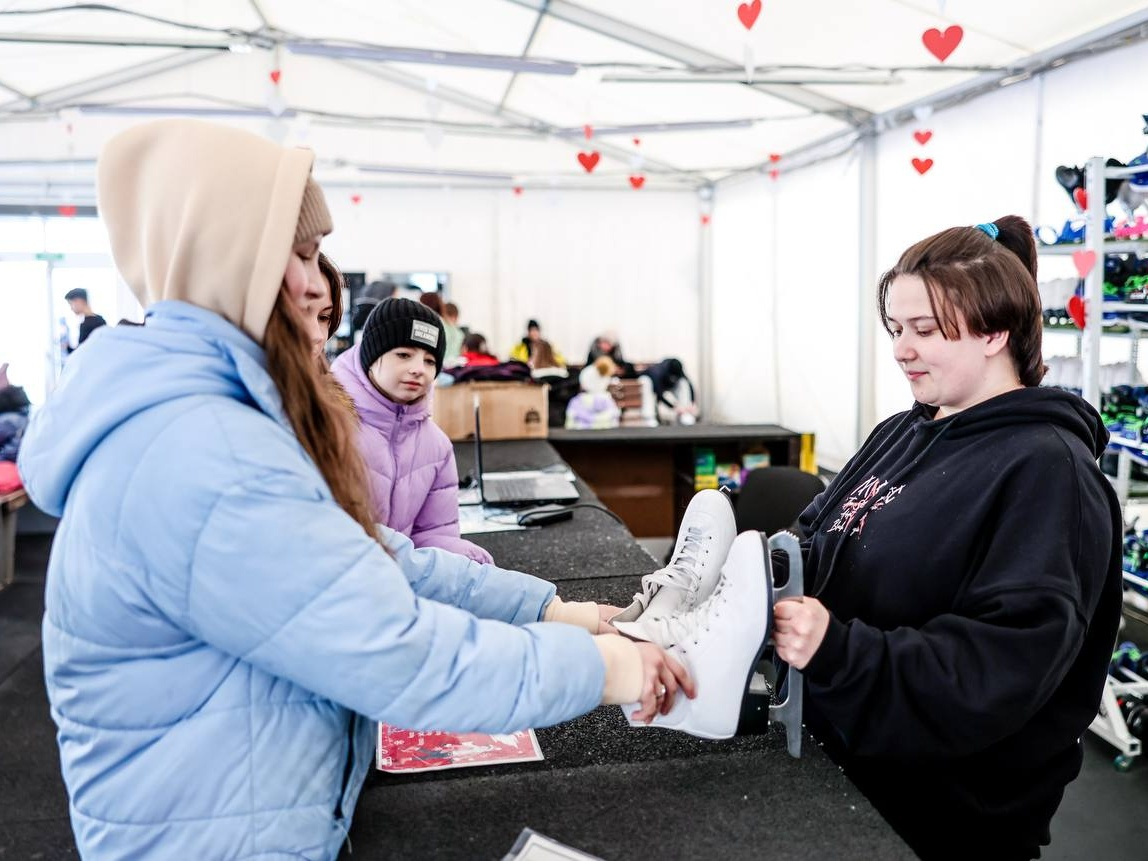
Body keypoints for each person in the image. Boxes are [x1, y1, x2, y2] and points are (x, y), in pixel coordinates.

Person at [16, 118, 693, 859]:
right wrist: (611, 666)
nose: (315, 283)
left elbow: (386, 562)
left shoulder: (210, 423)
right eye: (296, 254)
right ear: (227, 255)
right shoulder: (202, 453)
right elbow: (401, 652)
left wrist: (558, 610)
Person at [770, 217, 1122, 859]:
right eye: (897, 330)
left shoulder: (1049, 473)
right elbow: (814, 536)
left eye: (925, 331)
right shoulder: (901, 433)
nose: (902, 349)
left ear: (996, 331)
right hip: (836, 777)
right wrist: (756, 571)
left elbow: (997, 670)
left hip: (942, 826)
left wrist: (838, 652)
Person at [331, 297, 493, 563]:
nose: (418, 369)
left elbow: (433, 533)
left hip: (402, 584)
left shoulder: (437, 447)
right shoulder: (327, 425)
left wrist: (463, 559)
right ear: (371, 355)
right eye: (404, 355)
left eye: (430, 361)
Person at [640, 358, 698, 425]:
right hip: (653, 386)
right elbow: (659, 394)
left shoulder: (677, 370)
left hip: (667, 385)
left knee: (683, 383)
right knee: (645, 381)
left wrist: (692, 402)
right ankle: (649, 417)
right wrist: (673, 407)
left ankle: (685, 413)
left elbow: (688, 383)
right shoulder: (656, 372)